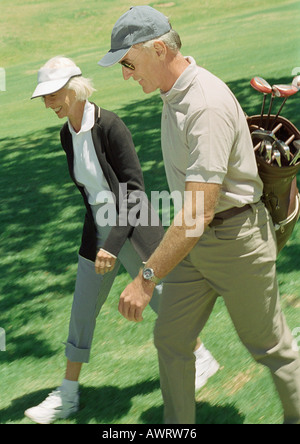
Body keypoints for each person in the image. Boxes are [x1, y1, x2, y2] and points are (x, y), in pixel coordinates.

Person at [98, 6, 300, 424]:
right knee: (171, 338)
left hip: (236, 242)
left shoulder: (203, 105)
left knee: (271, 349)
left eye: (128, 63)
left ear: (157, 49)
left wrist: (146, 277)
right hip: (199, 244)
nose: (126, 74)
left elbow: (197, 212)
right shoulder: (174, 94)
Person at [24, 56, 219, 424]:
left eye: (52, 95)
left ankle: (202, 357)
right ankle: (67, 395)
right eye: (44, 98)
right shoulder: (67, 134)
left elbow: (134, 190)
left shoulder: (111, 125)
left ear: (74, 88)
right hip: (97, 236)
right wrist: (99, 242)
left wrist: (111, 246)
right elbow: (90, 194)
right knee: (81, 314)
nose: (48, 104)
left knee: (162, 300)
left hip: (133, 231)